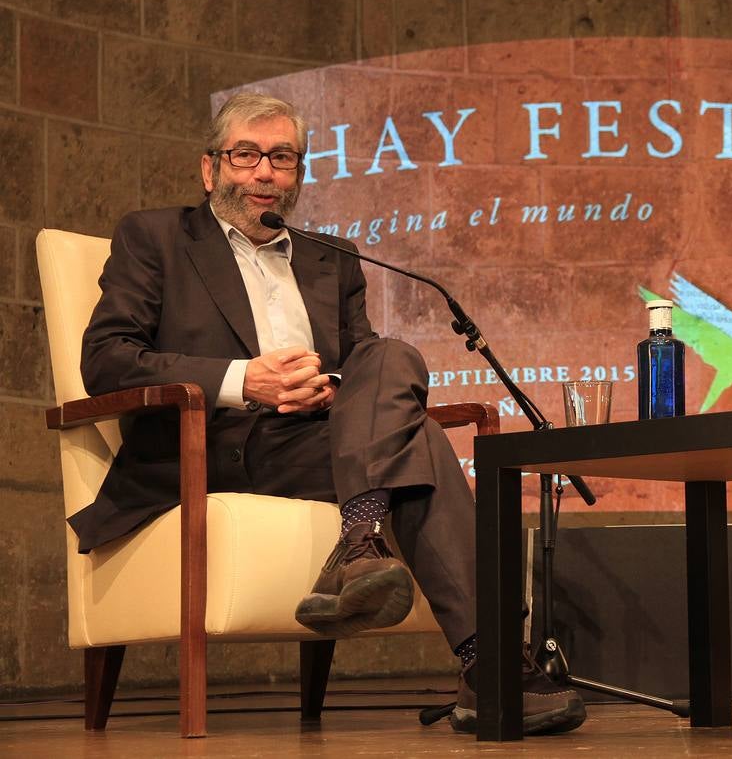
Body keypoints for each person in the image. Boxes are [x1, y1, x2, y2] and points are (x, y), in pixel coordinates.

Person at [78, 92, 585, 736]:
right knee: (422, 441)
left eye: (282, 159)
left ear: (298, 174)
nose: (264, 172)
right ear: (211, 169)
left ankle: (364, 546)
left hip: (322, 441)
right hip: (211, 442)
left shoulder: (331, 256)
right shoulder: (154, 237)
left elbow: (364, 365)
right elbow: (107, 359)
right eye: (246, 155)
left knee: (391, 357)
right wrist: (244, 381)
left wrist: (332, 385)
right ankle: (488, 663)